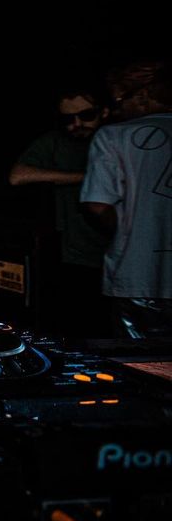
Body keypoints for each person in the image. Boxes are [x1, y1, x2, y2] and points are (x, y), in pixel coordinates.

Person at [8, 85, 110, 336]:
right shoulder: (56, 141)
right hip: (78, 252)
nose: (77, 124)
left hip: (125, 249)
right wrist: (87, 178)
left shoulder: (118, 138)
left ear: (105, 111)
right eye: (68, 118)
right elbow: (18, 176)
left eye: (86, 115)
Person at [81, 60, 172, 338]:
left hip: (140, 277)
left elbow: (98, 205)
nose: (116, 110)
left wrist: (129, 230)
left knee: (142, 360)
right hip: (142, 279)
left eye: (118, 100)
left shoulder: (113, 136)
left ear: (143, 96)